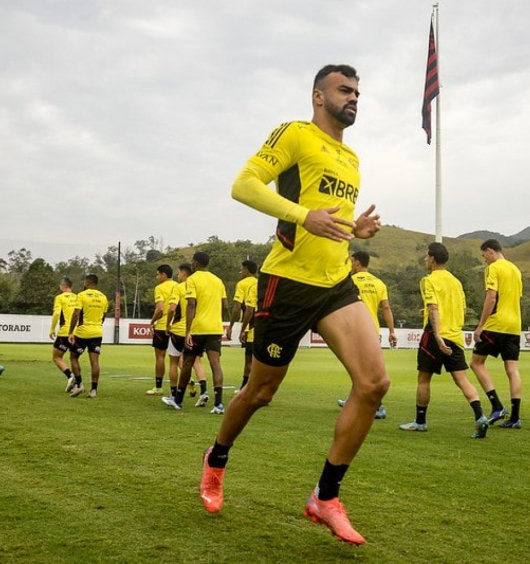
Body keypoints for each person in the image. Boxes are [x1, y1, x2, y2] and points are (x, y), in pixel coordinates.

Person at [200, 64, 388, 546]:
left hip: (336, 282)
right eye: (345, 90)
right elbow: (243, 185)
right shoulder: (295, 134)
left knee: (373, 383)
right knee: (259, 393)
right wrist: (304, 215)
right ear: (318, 96)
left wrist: (354, 230)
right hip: (286, 283)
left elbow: (330, 222)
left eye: (357, 92)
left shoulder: (350, 158)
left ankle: (325, 497)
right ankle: (217, 457)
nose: (354, 98)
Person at [399, 243, 489, 438]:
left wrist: (438, 336)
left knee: (424, 379)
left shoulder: (428, 280)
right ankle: (480, 416)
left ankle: (420, 422)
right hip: (455, 335)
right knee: (462, 379)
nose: (425, 260)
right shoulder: (456, 282)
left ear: (432, 258)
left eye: (426, 257)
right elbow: (462, 310)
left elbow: (433, 307)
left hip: (434, 334)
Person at [162, 252, 227, 413]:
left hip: (198, 328)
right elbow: (225, 306)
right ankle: (218, 404)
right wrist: (218, 320)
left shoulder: (192, 279)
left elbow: (191, 305)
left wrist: (188, 330)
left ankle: (178, 400)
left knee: (188, 363)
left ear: (195, 263)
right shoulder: (218, 281)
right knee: (215, 364)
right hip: (215, 328)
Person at [469, 239, 523, 429]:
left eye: (484, 255)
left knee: (476, 363)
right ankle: (515, 417)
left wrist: (480, 325)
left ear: (490, 251)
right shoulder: (515, 270)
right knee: (512, 369)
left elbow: (491, 297)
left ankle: (497, 406)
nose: (484, 260)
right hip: (515, 326)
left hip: (496, 324)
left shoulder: (494, 268)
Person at [337, 250, 396, 419]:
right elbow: (386, 308)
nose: (350, 264)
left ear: (357, 263)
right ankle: (352, 399)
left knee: (361, 369)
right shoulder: (379, 283)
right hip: (373, 331)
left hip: (354, 330)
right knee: (361, 367)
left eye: (351, 261)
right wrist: (391, 331)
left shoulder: (349, 281)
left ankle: (378, 407)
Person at [165, 263, 207, 401]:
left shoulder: (178, 287)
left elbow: (171, 309)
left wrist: (168, 325)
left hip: (178, 331)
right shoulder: (199, 287)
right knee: (196, 362)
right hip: (195, 331)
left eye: (178, 273)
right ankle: (204, 392)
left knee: (173, 362)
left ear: (183, 274)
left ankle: (173, 394)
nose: (178, 276)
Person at [67, 274, 109, 398]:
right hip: (97, 332)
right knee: (94, 362)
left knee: (73, 357)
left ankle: (79, 385)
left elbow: (76, 314)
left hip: (82, 332)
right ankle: (94, 390)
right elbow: (103, 317)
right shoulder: (103, 297)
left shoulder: (81, 295)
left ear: (86, 283)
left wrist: (70, 332)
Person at [226, 260, 258, 391]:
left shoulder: (243, 284)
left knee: (249, 359)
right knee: (260, 360)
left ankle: (247, 389)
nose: (240, 272)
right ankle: (253, 388)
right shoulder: (261, 283)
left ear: (246, 270)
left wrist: (235, 327)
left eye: (242, 269)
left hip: (253, 326)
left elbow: (238, 307)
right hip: (266, 325)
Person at [146, 264, 176, 395]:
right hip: (177, 326)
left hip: (163, 326)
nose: (157, 276)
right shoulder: (179, 286)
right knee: (177, 358)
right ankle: (190, 380)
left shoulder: (160, 288)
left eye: (158, 274)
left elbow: (160, 309)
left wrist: (152, 322)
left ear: (164, 274)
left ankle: (158, 387)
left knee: (160, 357)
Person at [49, 277, 78, 391]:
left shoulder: (59, 298)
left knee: (56, 357)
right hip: (77, 333)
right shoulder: (77, 297)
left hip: (65, 332)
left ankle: (70, 376)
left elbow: (56, 314)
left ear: (62, 286)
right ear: (71, 287)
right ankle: (78, 384)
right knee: (74, 358)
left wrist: (52, 329)